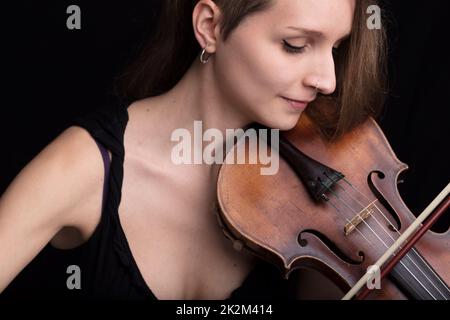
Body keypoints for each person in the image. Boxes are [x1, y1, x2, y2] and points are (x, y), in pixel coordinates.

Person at [0, 0, 386, 299]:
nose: (328, 81)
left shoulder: (318, 173)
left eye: (336, 47)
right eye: (295, 45)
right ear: (210, 27)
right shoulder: (83, 167)